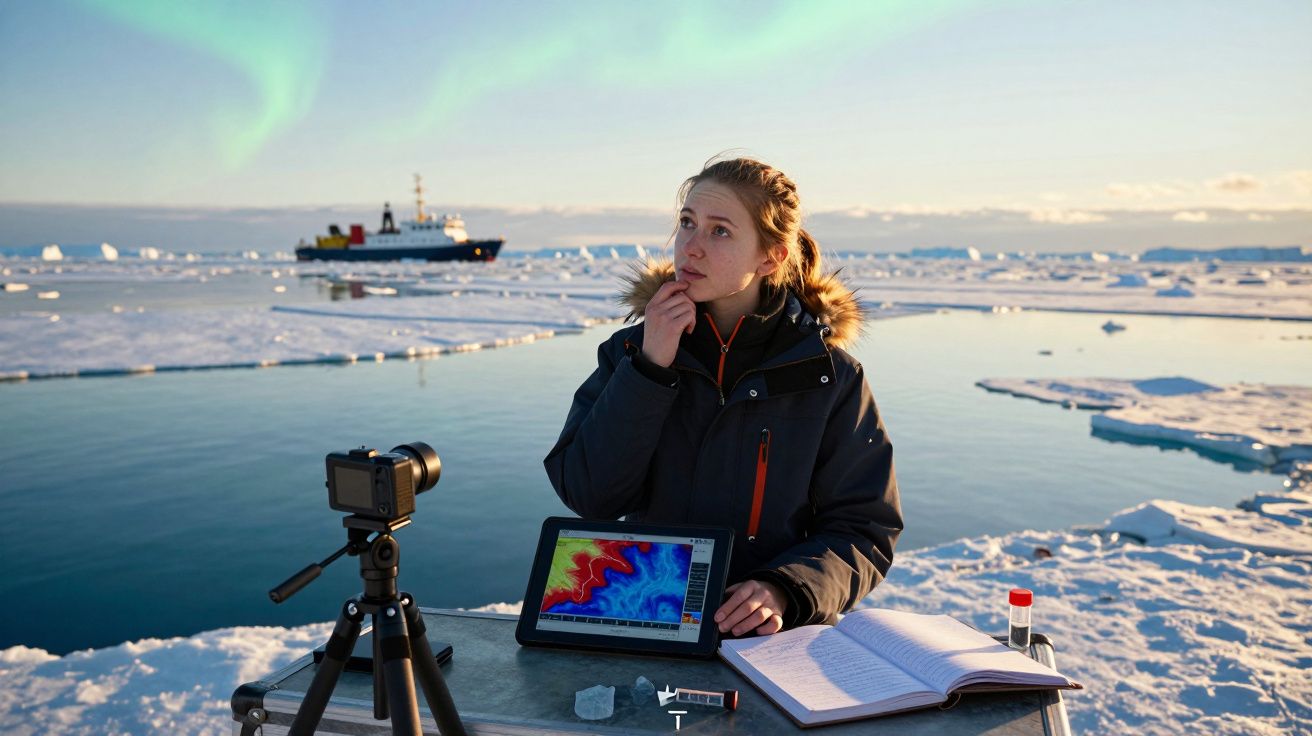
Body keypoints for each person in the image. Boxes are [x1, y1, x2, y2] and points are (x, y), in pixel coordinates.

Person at [544, 157, 901, 638]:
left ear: (770, 257)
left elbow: (864, 527)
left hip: (766, 638)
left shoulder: (827, 377)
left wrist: (788, 589)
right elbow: (590, 495)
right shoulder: (631, 353)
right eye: (687, 223)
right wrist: (649, 370)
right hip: (647, 613)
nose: (691, 247)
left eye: (720, 232)